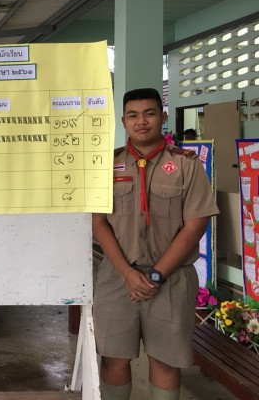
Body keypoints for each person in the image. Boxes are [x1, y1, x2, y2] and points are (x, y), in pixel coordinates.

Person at [92, 88, 218, 400]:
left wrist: (157, 275)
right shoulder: (106, 166)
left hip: (172, 279)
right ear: (123, 121)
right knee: (113, 357)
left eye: (149, 113)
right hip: (117, 277)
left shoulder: (186, 164)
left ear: (162, 117)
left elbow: (195, 226)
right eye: (133, 115)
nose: (141, 121)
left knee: (165, 359)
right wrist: (126, 274)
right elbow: (98, 222)